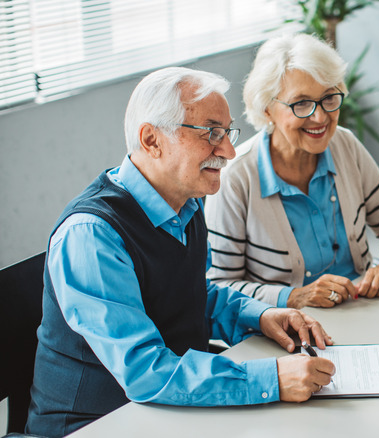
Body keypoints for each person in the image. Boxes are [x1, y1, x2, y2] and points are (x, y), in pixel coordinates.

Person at [26, 67, 337, 438]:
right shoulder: (91, 236)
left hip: (165, 415)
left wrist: (262, 315)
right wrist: (271, 378)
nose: (228, 151)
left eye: (226, 133)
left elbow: (187, 294)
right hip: (93, 425)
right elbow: (145, 372)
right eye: (211, 134)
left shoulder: (185, 203)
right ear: (152, 140)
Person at [204, 33, 379, 309]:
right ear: (267, 108)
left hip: (365, 312)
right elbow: (218, 288)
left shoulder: (345, 146)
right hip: (286, 334)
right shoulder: (236, 179)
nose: (320, 117)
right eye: (301, 103)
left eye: (329, 98)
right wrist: (295, 297)